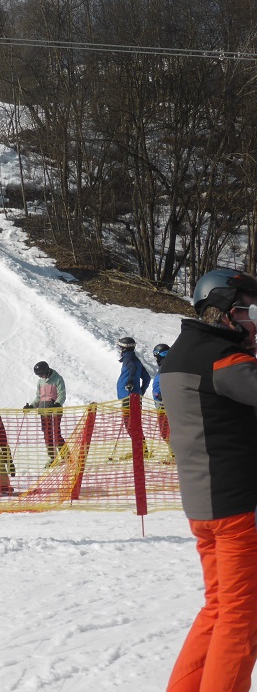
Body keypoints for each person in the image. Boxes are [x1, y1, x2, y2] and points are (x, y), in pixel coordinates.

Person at [162, 268, 257, 690]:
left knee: (219, 607)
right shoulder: (226, 359)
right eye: (247, 312)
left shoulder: (183, 351)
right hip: (237, 509)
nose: (252, 323)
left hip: (205, 508)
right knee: (241, 618)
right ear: (225, 312)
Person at [24, 361, 67, 466]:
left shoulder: (58, 379)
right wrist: (31, 406)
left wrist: (57, 404)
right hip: (43, 412)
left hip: (55, 411)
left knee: (56, 434)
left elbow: (62, 394)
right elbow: (39, 398)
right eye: (39, 375)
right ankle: (53, 458)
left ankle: (66, 457)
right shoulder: (40, 382)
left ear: (47, 371)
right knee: (47, 435)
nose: (41, 377)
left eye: (41, 374)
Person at [116, 336, 151, 433]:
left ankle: (140, 443)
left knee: (130, 426)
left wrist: (130, 381)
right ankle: (141, 443)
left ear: (124, 348)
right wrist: (141, 391)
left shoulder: (128, 358)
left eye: (120, 347)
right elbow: (147, 378)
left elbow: (132, 367)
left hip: (128, 396)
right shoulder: (136, 359)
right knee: (135, 424)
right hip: (135, 396)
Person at [152, 343, 171, 448]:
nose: (156, 359)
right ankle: (174, 452)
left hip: (165, 405)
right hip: (161, 404)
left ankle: (175, 453)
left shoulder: (167, 367)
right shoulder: (165, 366)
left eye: (156, 356)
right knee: (165, 432)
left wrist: (163, 395)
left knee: (166, 431)